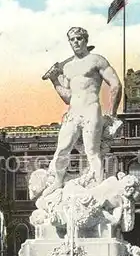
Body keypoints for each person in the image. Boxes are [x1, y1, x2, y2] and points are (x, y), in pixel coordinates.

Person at [42, 27, 122, 196]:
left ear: (86, 40)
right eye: (72, 39)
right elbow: (68, 97)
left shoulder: (97, 60)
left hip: (91, 109)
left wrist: (112, 114)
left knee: (92, 152)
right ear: (69, 42)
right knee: (62, 149)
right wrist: (55, 79)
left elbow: (115, 84)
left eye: (79, 38)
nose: (76, 42)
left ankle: (99, 189)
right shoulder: (68, 68)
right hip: (73, 112)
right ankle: (58, 181)